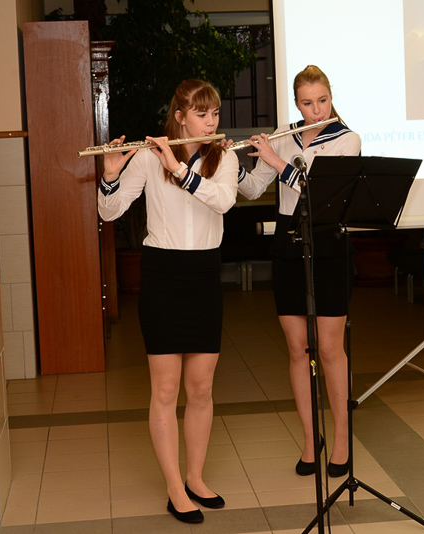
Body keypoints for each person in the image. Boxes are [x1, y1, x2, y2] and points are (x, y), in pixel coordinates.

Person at [97, 79, 238, 524]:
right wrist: (110, 175)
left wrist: (179, 169)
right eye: (201, 114)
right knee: (164, 390)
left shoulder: (224, 157)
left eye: (214, 113)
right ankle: (175, 488)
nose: (211, 121)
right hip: (161, 274)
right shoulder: (147, 157)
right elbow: (109, 211)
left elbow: (223, 201)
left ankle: (195, 478)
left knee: (201, 389)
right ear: (179, 117)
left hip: (204, 275)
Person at [235, 65, 361, 478]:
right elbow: (253, 188)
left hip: (329, 242)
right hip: (289, 241)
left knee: (329, 349)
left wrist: (276, 160)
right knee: (296, 349)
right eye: (307, 103)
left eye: (322, 100)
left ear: (331, 97)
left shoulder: (347, 140)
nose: (316, 110)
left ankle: (342, 440)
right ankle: (311, 439)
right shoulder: (283, 135)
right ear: (296, 103)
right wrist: (229, 162)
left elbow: (320, 193)